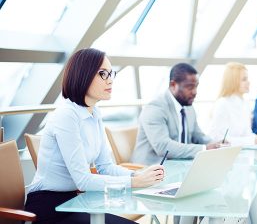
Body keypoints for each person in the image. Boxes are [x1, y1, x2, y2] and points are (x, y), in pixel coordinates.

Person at [25, 48, 164, 224]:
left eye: (111, 73)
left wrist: (138, 174)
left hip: (77, 201)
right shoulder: (67, 115)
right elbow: (83, 180)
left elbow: (105, 166)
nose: (110, 80)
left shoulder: (94, 113)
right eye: (102, 74)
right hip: (49, 208)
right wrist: (136, 182)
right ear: (83, 75)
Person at [131, 63, 222, 165]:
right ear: (173, 85)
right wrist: (204, 148)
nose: (195, 92)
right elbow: (163, 146)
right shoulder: (155, 108)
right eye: (190, 87)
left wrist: (216, 144)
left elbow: (198, 136)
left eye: (196, 86)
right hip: (152, 169)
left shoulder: (188, 106)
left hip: (179, 165)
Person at [208, 62, 257, 146]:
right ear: (233, 81)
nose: (248, 82)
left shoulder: (244, 104)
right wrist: (254, 140)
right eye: (244, 79)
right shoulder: (222, 104)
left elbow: (247, 134)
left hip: (242, 153)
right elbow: (220, 139)